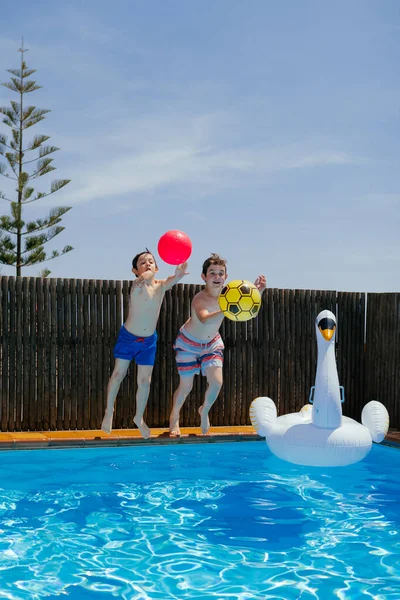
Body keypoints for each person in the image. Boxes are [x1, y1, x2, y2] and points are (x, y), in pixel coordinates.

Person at [169, 253, 266, 436]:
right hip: (188, 344)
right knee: (186, 386)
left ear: (226, 277)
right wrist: (226, 308)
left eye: (221, 273)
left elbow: (246, 309)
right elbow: (204, 319)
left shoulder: (229, 296)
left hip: (212, 343)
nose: (217, 277)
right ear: (203, 277)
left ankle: (204, 410)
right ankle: (174, 418)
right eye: (212, 273)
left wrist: (257, 293)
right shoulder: (200, 298)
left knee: (216, 383)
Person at [101, 249, 189, 438]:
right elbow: (145, 277)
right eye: (143, 262)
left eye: (151, 261)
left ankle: (139, 417)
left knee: (145, 382)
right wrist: (151, 273)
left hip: (148, 341)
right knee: (118, 374)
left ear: (157, 267)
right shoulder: (137, 285)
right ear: (135, 270)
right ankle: (109, 411)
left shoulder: (161, 286)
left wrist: (179, 273)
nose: (148, 264)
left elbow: (172, 280)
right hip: (128, 338)